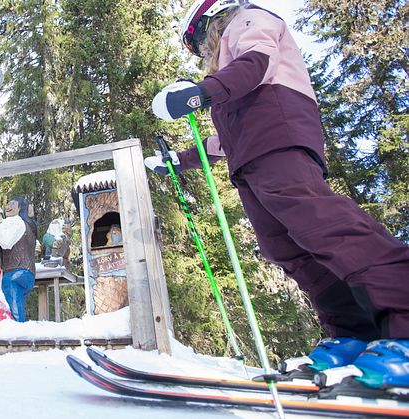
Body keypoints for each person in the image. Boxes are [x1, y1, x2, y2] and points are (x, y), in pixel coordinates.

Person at [145, 0, 409, 390]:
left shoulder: (246, 21)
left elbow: (256, 64)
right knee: (287, 248)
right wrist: (180, 161)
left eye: (199, 41)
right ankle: (353, 334)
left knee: (323, 226)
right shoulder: (230, 79)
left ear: (210, 21)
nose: (202, 52)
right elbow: (225, 139)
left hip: (279, 136)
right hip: (251, 157)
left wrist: (201, 92)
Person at [0, 196, 37, 322]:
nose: (8, 206)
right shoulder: (29, 226)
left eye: (13, 203)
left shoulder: (16, 221)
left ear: (20, 208)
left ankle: (17, 332)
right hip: (28, 273)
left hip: (16, 271)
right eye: (7, 203)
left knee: (13, 310)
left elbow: (6, 241)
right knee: (17, 304)